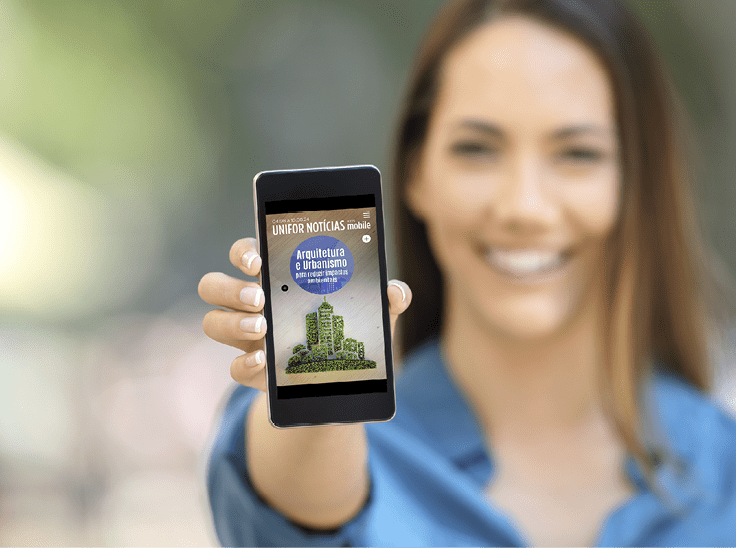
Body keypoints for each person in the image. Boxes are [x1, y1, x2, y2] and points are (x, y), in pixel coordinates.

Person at [198, 0, 736, 545]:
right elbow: (300, 493)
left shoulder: (724, 467)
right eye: (476, 149)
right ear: (415, 174)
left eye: (578, 153)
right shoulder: (344, 444)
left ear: (636, 181)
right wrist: (312, 377)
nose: (524, 207)